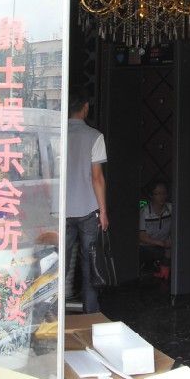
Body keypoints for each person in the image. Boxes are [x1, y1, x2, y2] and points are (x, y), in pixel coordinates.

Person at [66, 87, 109, 313]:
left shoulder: (58, 134)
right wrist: (103, 211)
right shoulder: (95, 136)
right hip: (87, 209)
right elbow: (97, 178)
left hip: (61, 211)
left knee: (60, 263)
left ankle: (52, 310)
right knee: (89, 262)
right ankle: (90, 311)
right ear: (85, 108)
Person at [139, 178, 172, 279]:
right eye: (158, 194)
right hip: (147, 247)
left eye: (164, 193)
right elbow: (142, 236)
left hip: (166, 246)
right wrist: (161, 243)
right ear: (151, 195)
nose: (162, 196)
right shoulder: (145, 212)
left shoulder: (171, 209)